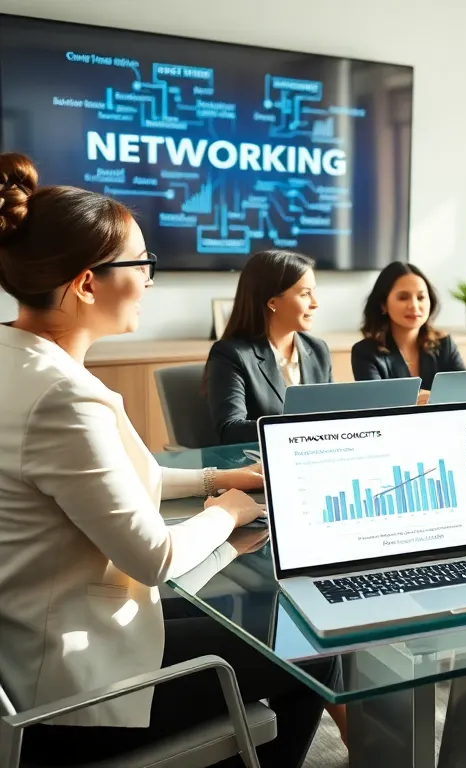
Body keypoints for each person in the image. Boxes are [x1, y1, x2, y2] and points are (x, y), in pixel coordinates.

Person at [0, 152, 334, 767]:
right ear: (86, 282)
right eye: (143, 263)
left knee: (256, 626)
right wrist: (229, 513)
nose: (151, 279)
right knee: (308, 648)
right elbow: (153, 558)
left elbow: (129, 479)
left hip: (28, 640)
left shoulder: (19, 359)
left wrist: (216, 477)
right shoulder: (63, 397)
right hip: (71, 690)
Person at [206, 250, 331, 444]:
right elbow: (231, 429)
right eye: (305, 294)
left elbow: (334, 412)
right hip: (259, 465)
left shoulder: (317, 349)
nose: (316, 303)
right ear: (272, 302)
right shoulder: (231, 354)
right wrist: (302, 429)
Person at [351, 261, 466, 400]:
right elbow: (378, 404)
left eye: (421, 297)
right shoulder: (366, 353)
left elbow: (465, 393)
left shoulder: (444, 345)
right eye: (403, 297)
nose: (414, 305)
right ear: (383, 305)